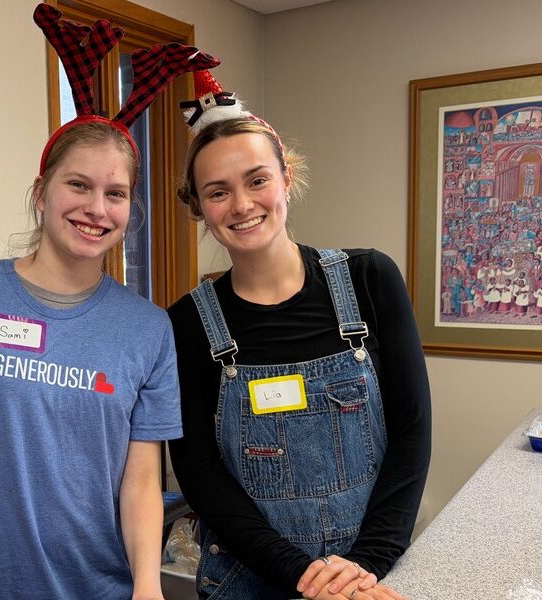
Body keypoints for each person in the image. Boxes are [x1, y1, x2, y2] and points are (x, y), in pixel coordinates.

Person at [0, 6, 217, 599]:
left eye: (115, 193)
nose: (96, 208)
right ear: (42, 193)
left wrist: (147, 587)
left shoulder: (147, 329)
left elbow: (141, 481)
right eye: (78, 185)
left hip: (103, 589)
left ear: (129, 210)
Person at [168, 71, 431, 600]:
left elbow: (411, 431)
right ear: (199, 206)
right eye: (218, 192)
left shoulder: (369, 279)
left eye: (257, 179)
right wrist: (304, 576)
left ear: (287, 178)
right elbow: (198, 471)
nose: (241, 205)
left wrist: (363, 567)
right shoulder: (186, 323)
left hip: (368, 574)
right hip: (248, 578)